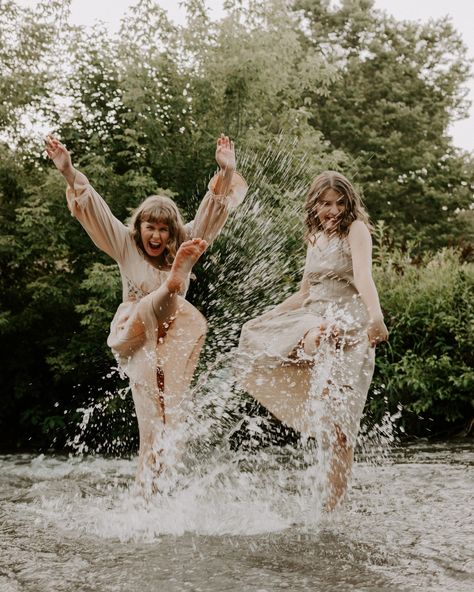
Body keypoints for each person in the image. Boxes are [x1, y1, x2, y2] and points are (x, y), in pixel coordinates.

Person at [45, 133, 248, 491]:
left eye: (164, 230)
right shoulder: (125, 243)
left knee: (171, 422)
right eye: (150, 227)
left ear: (172, 234)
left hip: (174, 335)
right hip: (138, 331)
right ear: (139, 227)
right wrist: (69, 171)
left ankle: (158, 495)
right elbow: (95, 209)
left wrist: (226, 171)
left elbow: (212, 210)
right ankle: (173, 283)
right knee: (150, 420)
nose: (156, 236)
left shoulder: (185, 239)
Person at [238, 170, 388, 511]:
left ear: (349, 204)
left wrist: (375, 316)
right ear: (314, 205)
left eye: (339, 203)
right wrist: (269, 316)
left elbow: (364, 276)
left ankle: (329, 511)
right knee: (313, 330)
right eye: (325, 204)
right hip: (315, 317)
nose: (333, 211)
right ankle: (318, 340)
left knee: (340, 433)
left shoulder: (356, 230)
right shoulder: (314, 238)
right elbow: (305, 292)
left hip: (351, 329)